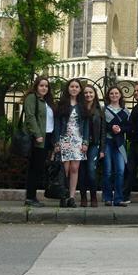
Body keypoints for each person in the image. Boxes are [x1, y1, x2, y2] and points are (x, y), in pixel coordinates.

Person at [54, 78, 89, 208]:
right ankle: (63, 196)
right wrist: (57, 142)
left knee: (75, 169)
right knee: (65, 169)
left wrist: (85, 142)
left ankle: (72, 197)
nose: (74, 89)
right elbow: (57, 124)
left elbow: (86, 125)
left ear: (80, 89)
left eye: (76, 87)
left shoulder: (82, 105)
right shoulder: (62, 104)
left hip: (77, 140)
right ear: (68, 89)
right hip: (64, 139)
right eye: (72, 86)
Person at [22, 76, 55, 207]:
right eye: (41, 85)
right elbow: (30, 117)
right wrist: (37, 134)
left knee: (39, 168)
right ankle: (30, 197)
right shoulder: (32, 98)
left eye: (46, 86)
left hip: (47, 137)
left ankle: (32, 196)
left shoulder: (46, 101)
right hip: (38, 138)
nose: (44, 88)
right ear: (36, 86)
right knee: (34, 168)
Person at [103, 86, 131, 206]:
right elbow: (102, 126)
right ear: (108, 96)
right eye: (111, 93)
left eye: (116, 93)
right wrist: (111, 127)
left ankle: (119, 198)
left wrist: (120, 129)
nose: (114, 95)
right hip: (108, 142)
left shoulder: (125, 111)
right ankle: (107, 198)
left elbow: (129, 127)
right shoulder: (104, 110)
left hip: (120, 143)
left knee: (120, 170)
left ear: (120, 95)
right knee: (108, 171)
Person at [79, 85, 106, 207]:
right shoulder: (80, 108)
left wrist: (102, 149)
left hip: (94, 145)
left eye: (91, 92)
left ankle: (93, 197)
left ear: (95, 94)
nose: (88, 95)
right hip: (80, 145)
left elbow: (103, 132)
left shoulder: (100, 110)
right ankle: (83, 197)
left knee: (91, 171)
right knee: (81, 172)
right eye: (86, 93)